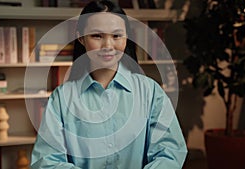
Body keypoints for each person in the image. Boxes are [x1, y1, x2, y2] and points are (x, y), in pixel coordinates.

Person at [31, 0, 187, 168]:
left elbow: (169, 152)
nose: (107, 46)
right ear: (81, 38)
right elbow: (46, 161)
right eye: (97, 36)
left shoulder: (151, 92)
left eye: (116, 36)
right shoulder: (61, 98)